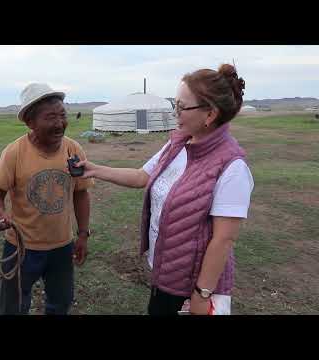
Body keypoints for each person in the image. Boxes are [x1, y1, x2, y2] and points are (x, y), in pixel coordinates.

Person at [73, 64, 254, 315]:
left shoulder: (232, 167)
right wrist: (95, 170)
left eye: (181, 107)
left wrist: (203, 294)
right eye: (174, 105)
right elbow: (141, 176)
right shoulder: (179, 144)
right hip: (166, 271)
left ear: (210, 114)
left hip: (192, 285)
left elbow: (224, 239)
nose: (175, 113)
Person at [0, 83, 93, 315]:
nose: (59, 124)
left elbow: (81, 193)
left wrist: (83, 234)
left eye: (62, 115)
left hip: (61, 247)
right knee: (13, 307)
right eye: (50, 117)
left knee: (60, 303)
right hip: (20, 248)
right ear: (30, 122)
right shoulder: (14, 152)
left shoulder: (73, 150)